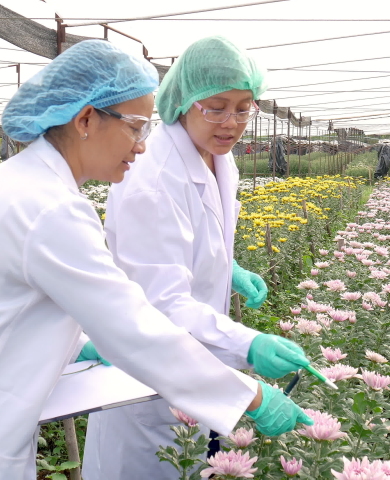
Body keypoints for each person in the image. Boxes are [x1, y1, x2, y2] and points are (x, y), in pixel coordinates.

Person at [0, 40, 311, 480]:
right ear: (85, 120)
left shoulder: (28, 184)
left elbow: (10, 305)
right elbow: (135, 328)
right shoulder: (49, 208)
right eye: (136, 127)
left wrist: (79, 342)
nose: (142, 146)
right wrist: (251, 396)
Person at [82, 36, 310, 480]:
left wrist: (228, 270)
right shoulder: (151, 174)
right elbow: (159, 307)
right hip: (147, 385)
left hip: (198, 365)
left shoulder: (219, 160)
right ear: (184, 101)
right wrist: (248, 344)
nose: (232, 122)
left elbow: (190, 243)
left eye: (245, 108)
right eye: (217, 107)